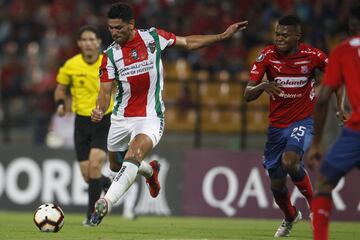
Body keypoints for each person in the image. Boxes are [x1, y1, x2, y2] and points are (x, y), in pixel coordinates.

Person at [89, 2, 248, 226]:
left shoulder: (153, 38)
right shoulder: (109, 56)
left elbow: (188, 42)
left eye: (118, 28)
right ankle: (150, 172)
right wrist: (98, 108)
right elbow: (105, 91)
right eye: (110, 28)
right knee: (116, 165)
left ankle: (106, 203)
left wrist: (222, 36)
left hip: (150, 117)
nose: (114, 32)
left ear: (131, 24)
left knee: (133, 155)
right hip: (121, 117)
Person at [244, 15, 344, 237]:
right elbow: (247, 94)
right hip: (276, 128)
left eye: (285, 35)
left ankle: (314, 208)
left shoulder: (313, 56)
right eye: (277, 34)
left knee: (290, 161)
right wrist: (262, 85)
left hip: (303, 121)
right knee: (277, 185)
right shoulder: (267, 56)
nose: (279, 39)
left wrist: (338, 105)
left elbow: (336, 76)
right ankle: (290, 216)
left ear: (297, 36)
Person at [306, 5, 360, 240]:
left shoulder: (342, 51)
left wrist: (316, 143)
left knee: (325, 182)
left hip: (356, 132)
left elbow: (323, 98)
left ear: (351, 25)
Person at [54, 25, 115, 226]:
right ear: (79, 43)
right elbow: (60, 88)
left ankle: (92, 216)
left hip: (104, 120)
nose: (88, 43)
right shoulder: (71, 65)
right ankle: (110, 185)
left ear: (98, 41)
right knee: (89, 175)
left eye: (92, 39)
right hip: (81, 123)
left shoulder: (108, 62)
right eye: (84, 40)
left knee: (95, 165)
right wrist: (61, 104)